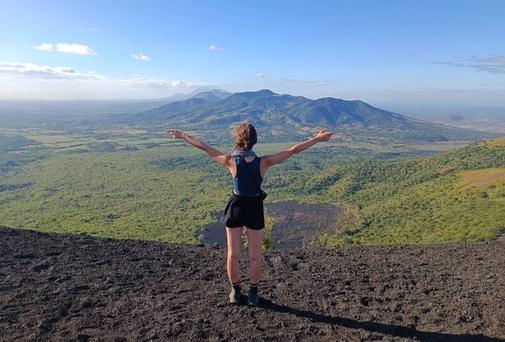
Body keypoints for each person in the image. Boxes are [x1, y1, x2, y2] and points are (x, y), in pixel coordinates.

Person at [168, 122, 333, 306]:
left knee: (233, 255)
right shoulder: (264, 162)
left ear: (237, 140)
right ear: (254, 141)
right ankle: (253, 293)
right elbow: (293, 150)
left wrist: (183, 136)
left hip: (236, 206)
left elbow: (205, 147)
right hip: (254, 207)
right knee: (255, 256)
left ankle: (235, 291)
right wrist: (317, 139)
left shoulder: (230, 161)